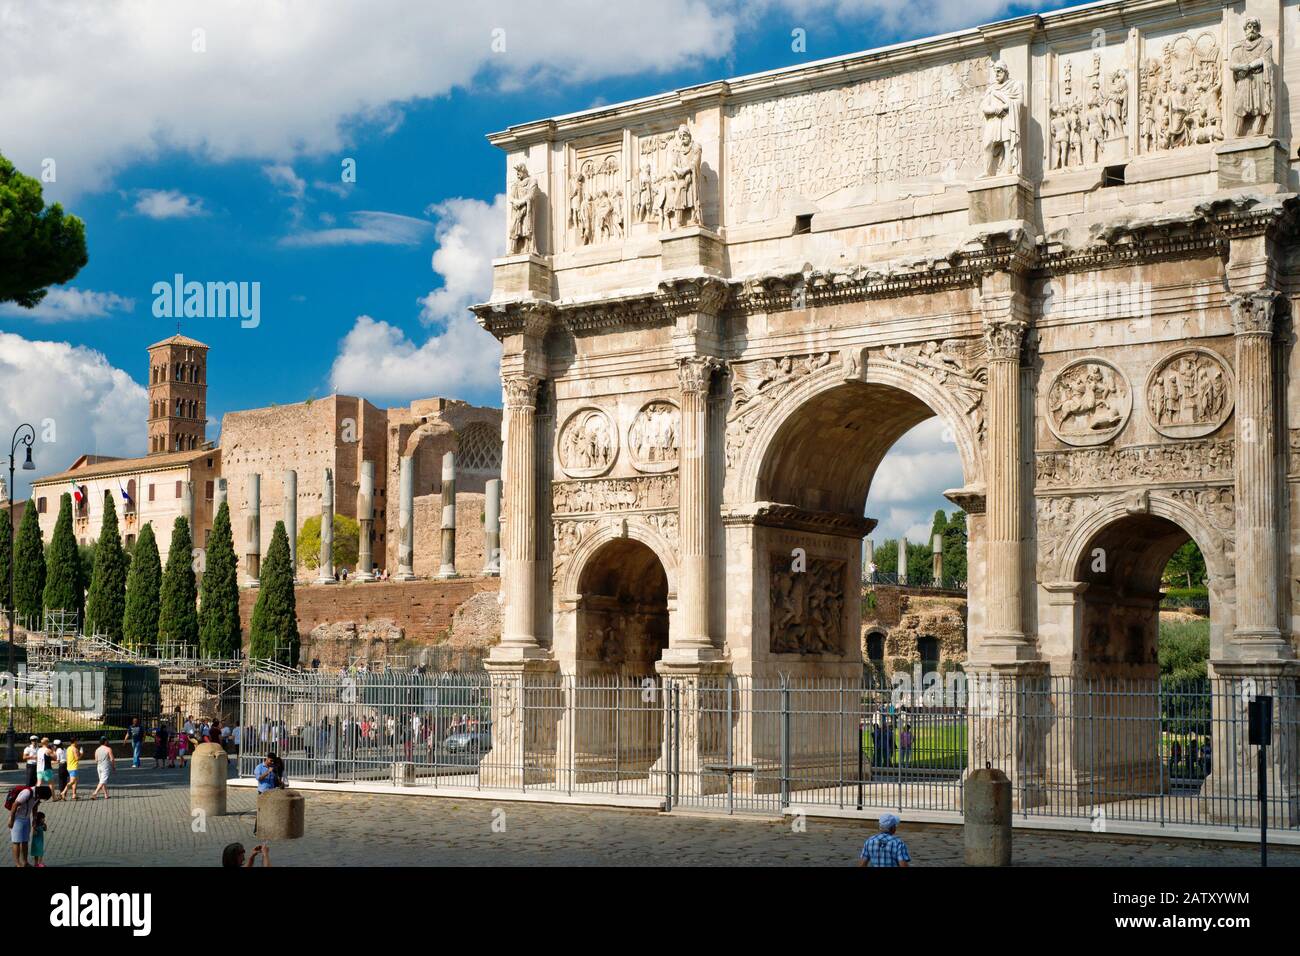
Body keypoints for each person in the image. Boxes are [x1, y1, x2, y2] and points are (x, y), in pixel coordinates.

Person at [8, 785, 51, 868]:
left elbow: (35, 806)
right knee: (16, 842)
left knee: (25, 841)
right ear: (40, 794)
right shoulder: (27, 793)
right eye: (42, 798)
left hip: (26, 819)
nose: (41, 800)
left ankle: (25, 862)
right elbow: (14, 805)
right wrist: (11, 820)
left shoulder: (37, 796)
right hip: (17, 819)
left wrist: (34, 819)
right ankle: (18, 864)